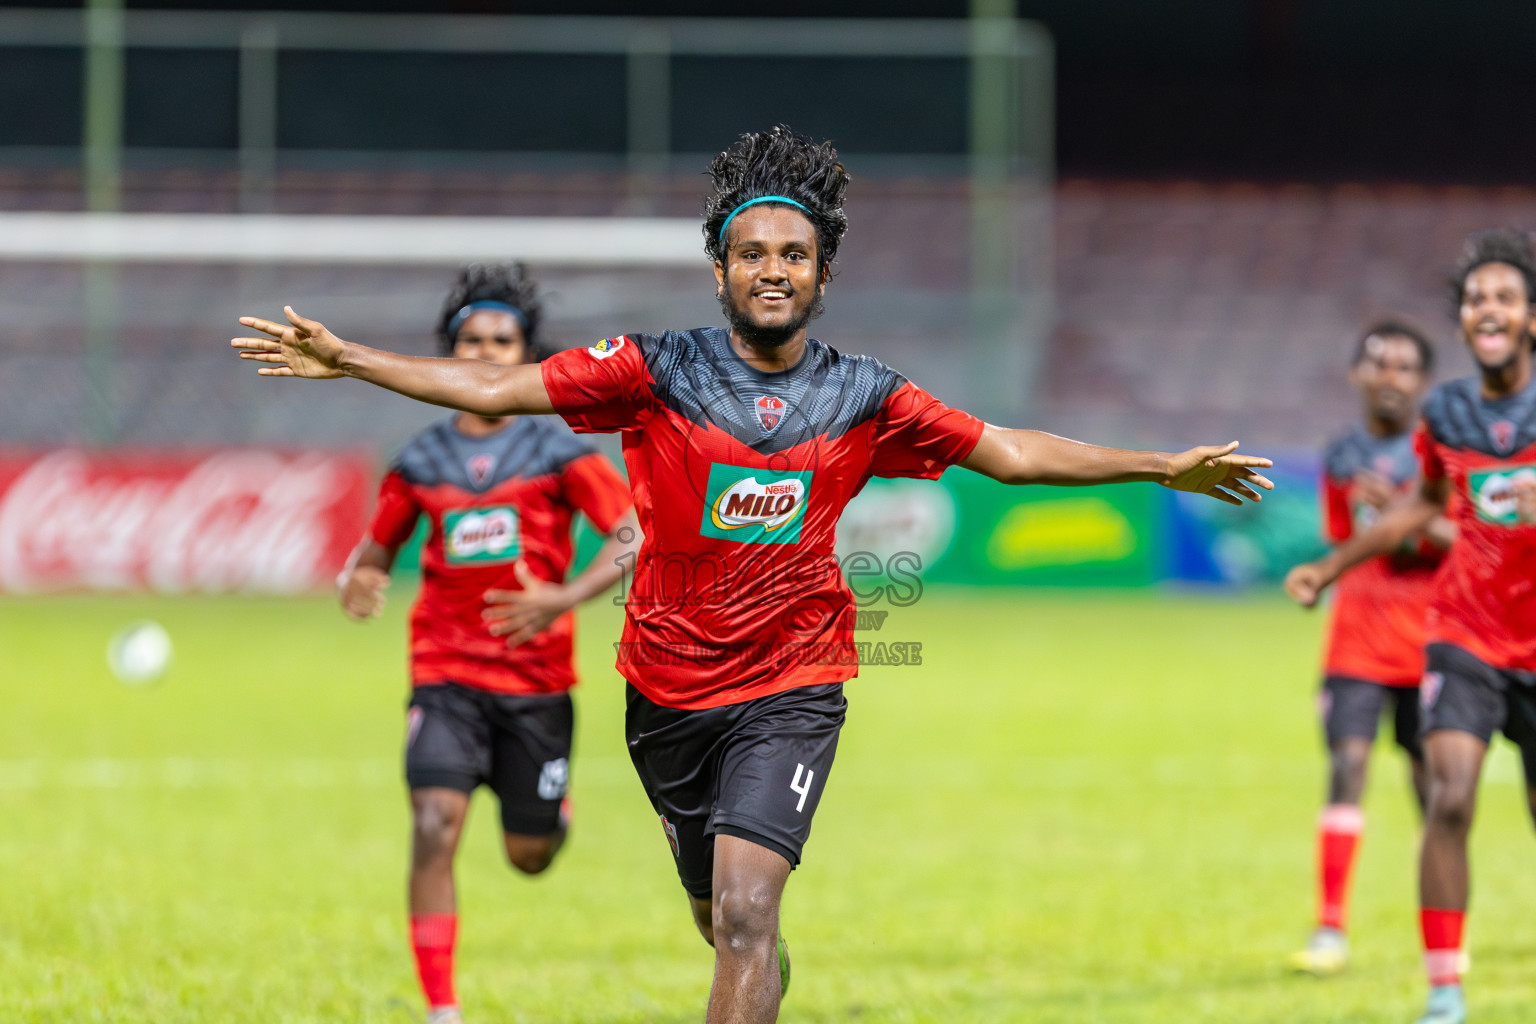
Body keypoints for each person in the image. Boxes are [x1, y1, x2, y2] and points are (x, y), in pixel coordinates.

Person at [233, 126, 1273, 1024]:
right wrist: (357, 358)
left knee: (744, 911)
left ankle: (751, 947)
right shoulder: (653, 370)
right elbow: (500, 387)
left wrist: (1162, 464)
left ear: (823, 274)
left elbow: (1009, 450)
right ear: (720, 271)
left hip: (793, 684)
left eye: (794, 253)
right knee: (720, 917)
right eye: (751, 252)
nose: (772, 267)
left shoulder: (868, 396)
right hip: (665, 689)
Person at [337, 263, 639, 1024]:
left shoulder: (559, 451)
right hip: (445, 674)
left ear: (526, 353)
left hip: (537, 684)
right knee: (434, 822)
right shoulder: (421, 461)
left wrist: (564, 598)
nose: (484, 352)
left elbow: (635, 531)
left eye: (502, 341)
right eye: (469, 340)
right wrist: (359, 579)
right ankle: (443, 1010)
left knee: (527, 857)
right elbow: (374, 554)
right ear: (448, 350)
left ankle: (550, 818)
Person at [1286, 228, 1536, 1024]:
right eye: (1474, 299)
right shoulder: (1449, 411)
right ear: (1464, 322)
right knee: (1451, 798)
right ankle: (1444, 991)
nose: (1487, 309)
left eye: (1503, 296)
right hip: (1462, 632)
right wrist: (1331, 565)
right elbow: (1424, 504)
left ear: (1530, 315)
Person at [1289, 321, 1451, 976]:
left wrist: (1405, 518)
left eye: (1407, 367)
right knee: (1346, 768)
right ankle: (1330, 929)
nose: (1392, 376)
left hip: (1430, 645)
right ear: (1358, 374)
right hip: (1355, 644)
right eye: (1379, 363)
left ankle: (1441, 932)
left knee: (1436, 793)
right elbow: (1339, 538)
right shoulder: (1340, 454)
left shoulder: (1441, 453)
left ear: (1422, 381)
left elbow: (1464, 543)